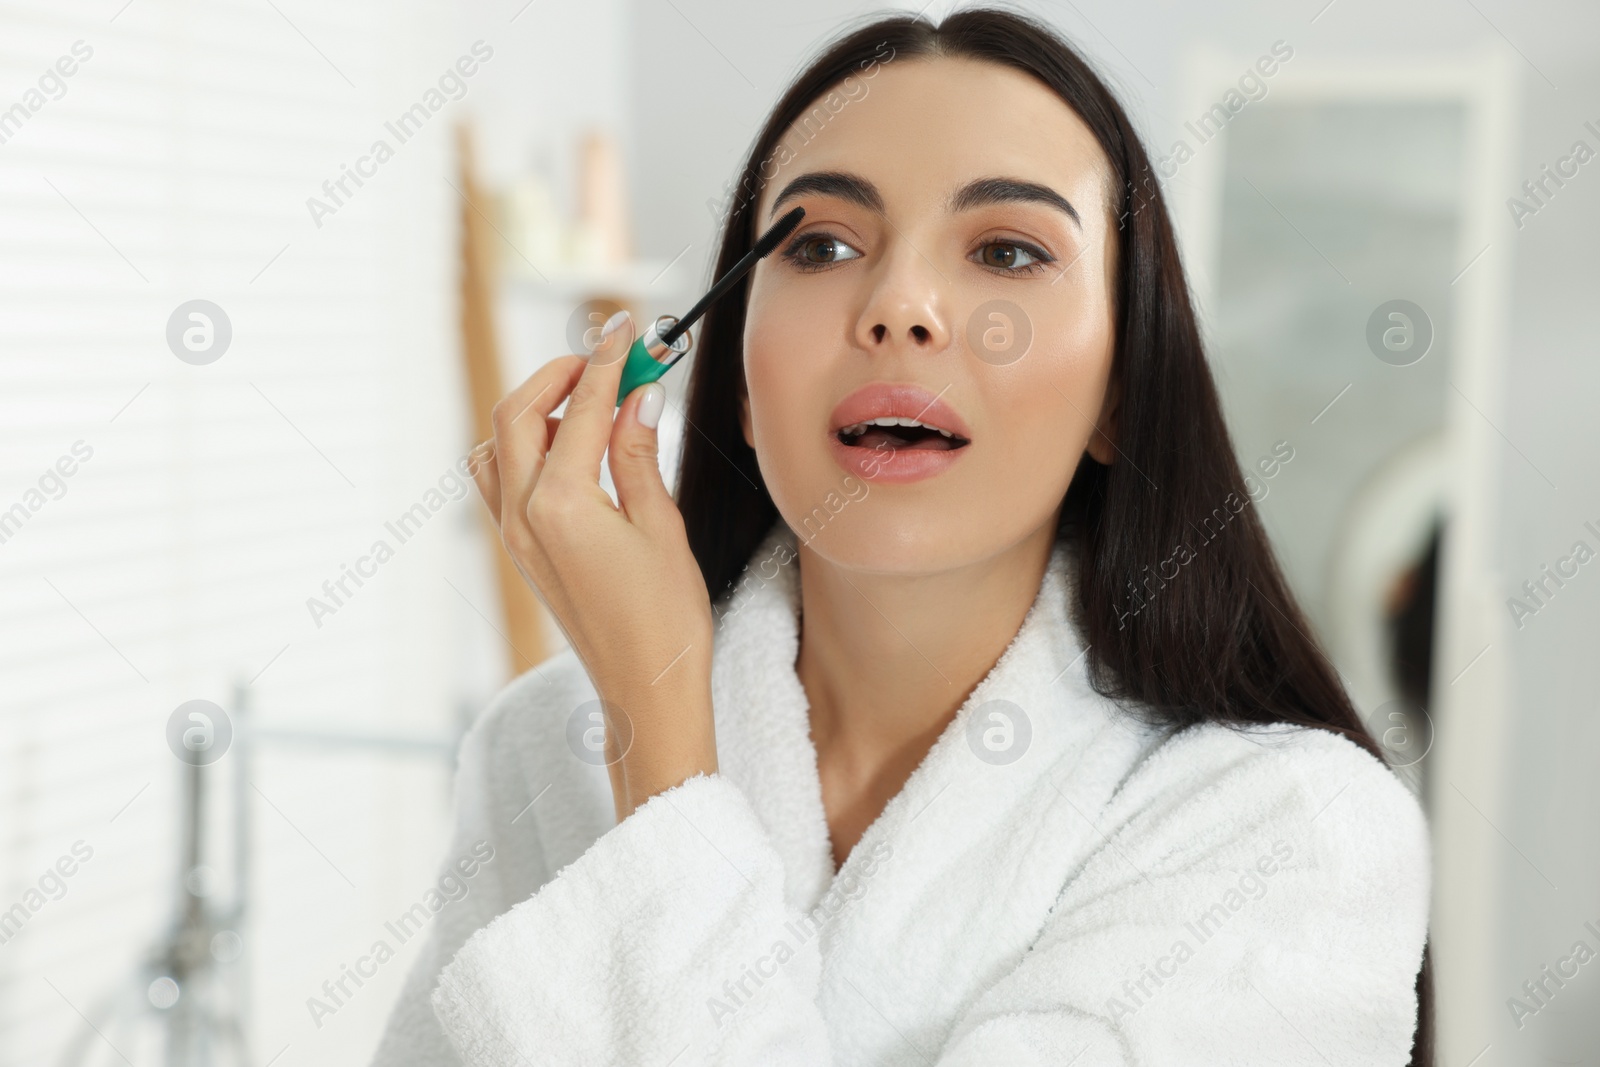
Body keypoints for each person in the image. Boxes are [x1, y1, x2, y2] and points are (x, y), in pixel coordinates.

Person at [371, 8, 1432, 1065]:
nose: (899, 306)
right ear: (739, 380)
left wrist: (660, 743)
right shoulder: (545, 747)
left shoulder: (1289, 832)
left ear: (1120, 392)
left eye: (1007, 251)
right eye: (822, 243)